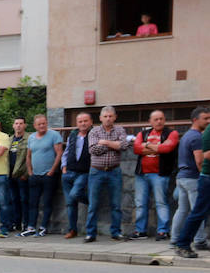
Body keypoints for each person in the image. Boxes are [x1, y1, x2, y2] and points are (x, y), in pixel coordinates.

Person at [131, 111, 178, 240]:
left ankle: (163, 231)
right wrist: (157, 147)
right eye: (156, 119)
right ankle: (140, 231)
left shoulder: (171, 133)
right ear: (150, 121)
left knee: (161, 202)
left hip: (160, 174)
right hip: (142, 174)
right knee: (140, 203)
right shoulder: (143, 133)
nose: (159, 122)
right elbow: (136, 149)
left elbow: (167, 149)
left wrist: (146, 145)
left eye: (161, 119)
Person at [85, 105, 128, 242]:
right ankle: (91, 233)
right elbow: (93, 150)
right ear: (100, 118)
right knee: (93, 204)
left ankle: (116, 232)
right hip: (96, 171)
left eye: (110, 116)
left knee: (116, 204)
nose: (108, 119)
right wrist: (113, 145)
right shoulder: (94, 131)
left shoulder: (120, 130)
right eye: (105, 116)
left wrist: (104, 142)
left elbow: (124, 146)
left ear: (115, 117)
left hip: (114, 171)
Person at [172, 107, 210, 257]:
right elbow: (202, 158)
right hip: (200, 177)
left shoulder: (192, 134)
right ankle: (183, 243)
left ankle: (178, 241)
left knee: (186, 211)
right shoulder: (198, 136)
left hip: (187, 176)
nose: (207, 121)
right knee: (197, 212)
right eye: (205, 118)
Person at [21, 114, 64, 237]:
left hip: (48, 175)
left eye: (44, 123)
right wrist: (30, 172)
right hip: (35, 175)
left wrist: (51, 171)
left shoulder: (54, 135)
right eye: (39, 124)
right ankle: (31, 227)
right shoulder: (31, 138)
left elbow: (59, 153)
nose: (42, 126)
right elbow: (28, 155)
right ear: (35, 126)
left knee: (47, 202)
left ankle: (43, 227)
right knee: (32, 202)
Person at [62, 112, 93, 238]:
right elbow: (66, 151)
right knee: (70, 203)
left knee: (75, 194)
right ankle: (72, 230)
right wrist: (63, 167)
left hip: (84, 173)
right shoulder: (73, 134)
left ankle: (92, 202)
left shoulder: (94, 134)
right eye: (80, 121)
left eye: (85, 121)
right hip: (68, 173)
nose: (83, 124)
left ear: (91, 122)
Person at [8, 117, 30, 235]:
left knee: (24, 200)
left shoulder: (28, 138)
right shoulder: (10, 139)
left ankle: (25, 224)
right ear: (13, 126)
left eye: (21, 123)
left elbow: (30, 157)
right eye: (16, 123)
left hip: (22, 175)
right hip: (11, 175)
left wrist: (26, 174)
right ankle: (16, 223)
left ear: (25, 125)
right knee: (13, 200)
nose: (18, 126)